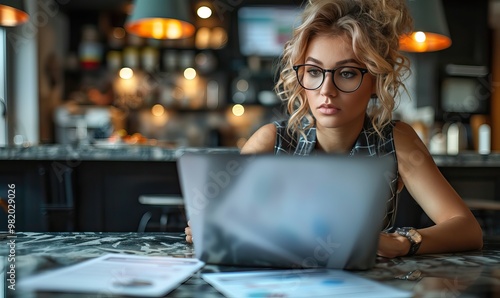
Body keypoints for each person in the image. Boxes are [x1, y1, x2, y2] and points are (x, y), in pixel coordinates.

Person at [185, 0, 483, 258]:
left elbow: (467, 229)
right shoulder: (272, 141)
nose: (326, 90)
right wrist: (208, 229)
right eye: (314, 71)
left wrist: (403, 243)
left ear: (376, 81)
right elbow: (215, 224)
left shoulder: (395, 140)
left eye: (348, 73)